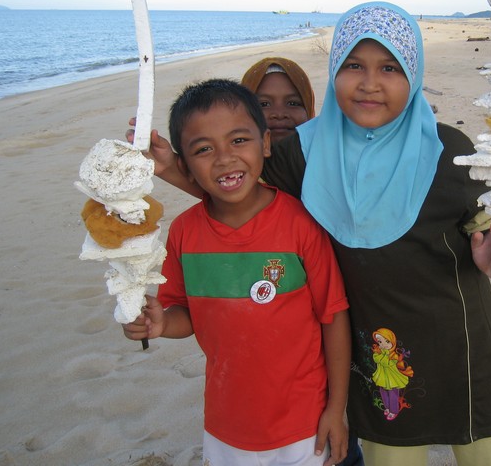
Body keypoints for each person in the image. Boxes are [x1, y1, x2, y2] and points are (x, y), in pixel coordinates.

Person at [136, 2, 491, 465]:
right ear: (334, 69)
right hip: (373, 349)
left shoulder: (449, 150)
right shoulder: (302, 153)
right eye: (353, 65)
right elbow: (240, 195)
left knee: (488, 452)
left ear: (414, 74)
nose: (369, 83)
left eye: (390, 68)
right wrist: (171, 169)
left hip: (460, 339)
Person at [122, 79, 351, 466]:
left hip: (304, 423)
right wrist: (160, 324)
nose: (225, 158)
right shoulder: (184, 232)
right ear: (184, 165)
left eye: (239, 140)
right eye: (204, 149)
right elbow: (185, 314)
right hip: (226, 424)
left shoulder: (300, 224)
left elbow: (334, 316)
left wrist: (336, 409)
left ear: (265, 143)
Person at [241, 56, 316, 143]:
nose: (279, 114)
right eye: (264, 104)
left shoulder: (326, 150)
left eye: (292, 103)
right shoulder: (229, 152)